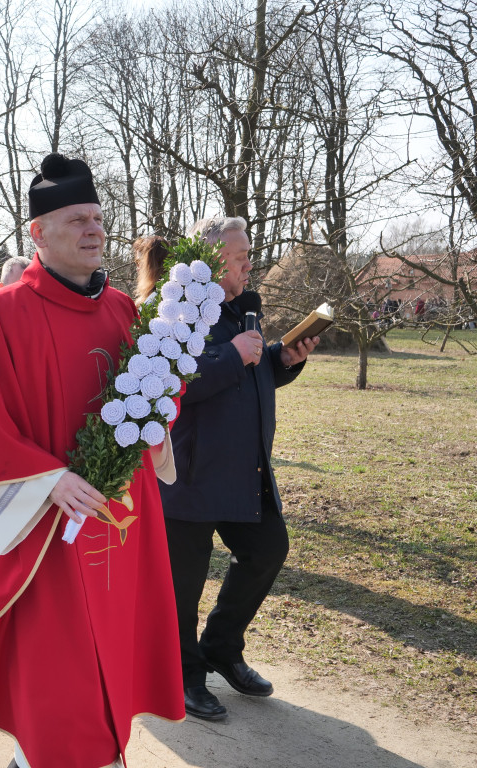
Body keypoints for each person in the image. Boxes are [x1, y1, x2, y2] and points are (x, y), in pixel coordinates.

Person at [0, 153, 184, 768]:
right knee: (57, 677)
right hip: (45, 527)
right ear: (37, 233)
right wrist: (49, 478)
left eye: (98, 217)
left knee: (114, 660)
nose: (94, 229)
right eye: (76, 219)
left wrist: (159, 417)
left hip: (120, 521)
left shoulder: (125, 310)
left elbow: (156, 396)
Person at [159, 216, 318, 722]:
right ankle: (183, 673)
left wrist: (281, 359)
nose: (251, 263)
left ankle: (221, 648)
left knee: (268, 548)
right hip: (191, 473)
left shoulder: (240, 311)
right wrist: (231, 354)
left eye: (250, 253)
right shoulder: (179, 311)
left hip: (243, 471)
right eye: (241, 256)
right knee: (184, 583)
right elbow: (171, 379)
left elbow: (247, 376)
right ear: (210, 260)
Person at [133, 235, 170, 305]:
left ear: (152, 265)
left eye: (139, 262)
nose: (137, 268)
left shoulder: (156, 300)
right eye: (136, 262)